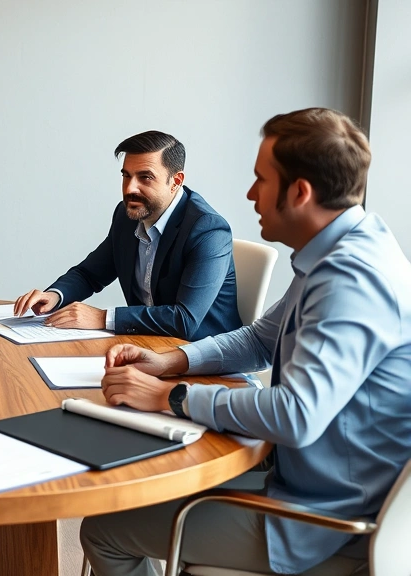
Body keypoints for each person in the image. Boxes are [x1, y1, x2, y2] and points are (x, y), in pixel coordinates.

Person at [80, 108, 411, 575]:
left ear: (299, 192)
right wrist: (168, 363)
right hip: (304, 475)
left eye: (261, 180)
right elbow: (259, 340)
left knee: (104, 528)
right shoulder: (343, 249)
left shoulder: (351, 281)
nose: (250, 194)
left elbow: (296, 416)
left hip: (323, 521)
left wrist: (171, 397)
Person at [13, 131, 242, 341]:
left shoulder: (208, 230)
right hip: (147, 347)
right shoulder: (126, 215)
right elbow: (90, 274)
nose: (130, 188)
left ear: (176, 181)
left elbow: (184, 320)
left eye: (145, 177)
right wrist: (55, 296)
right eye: (126, 175)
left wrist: (102, 318)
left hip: (207, 358)